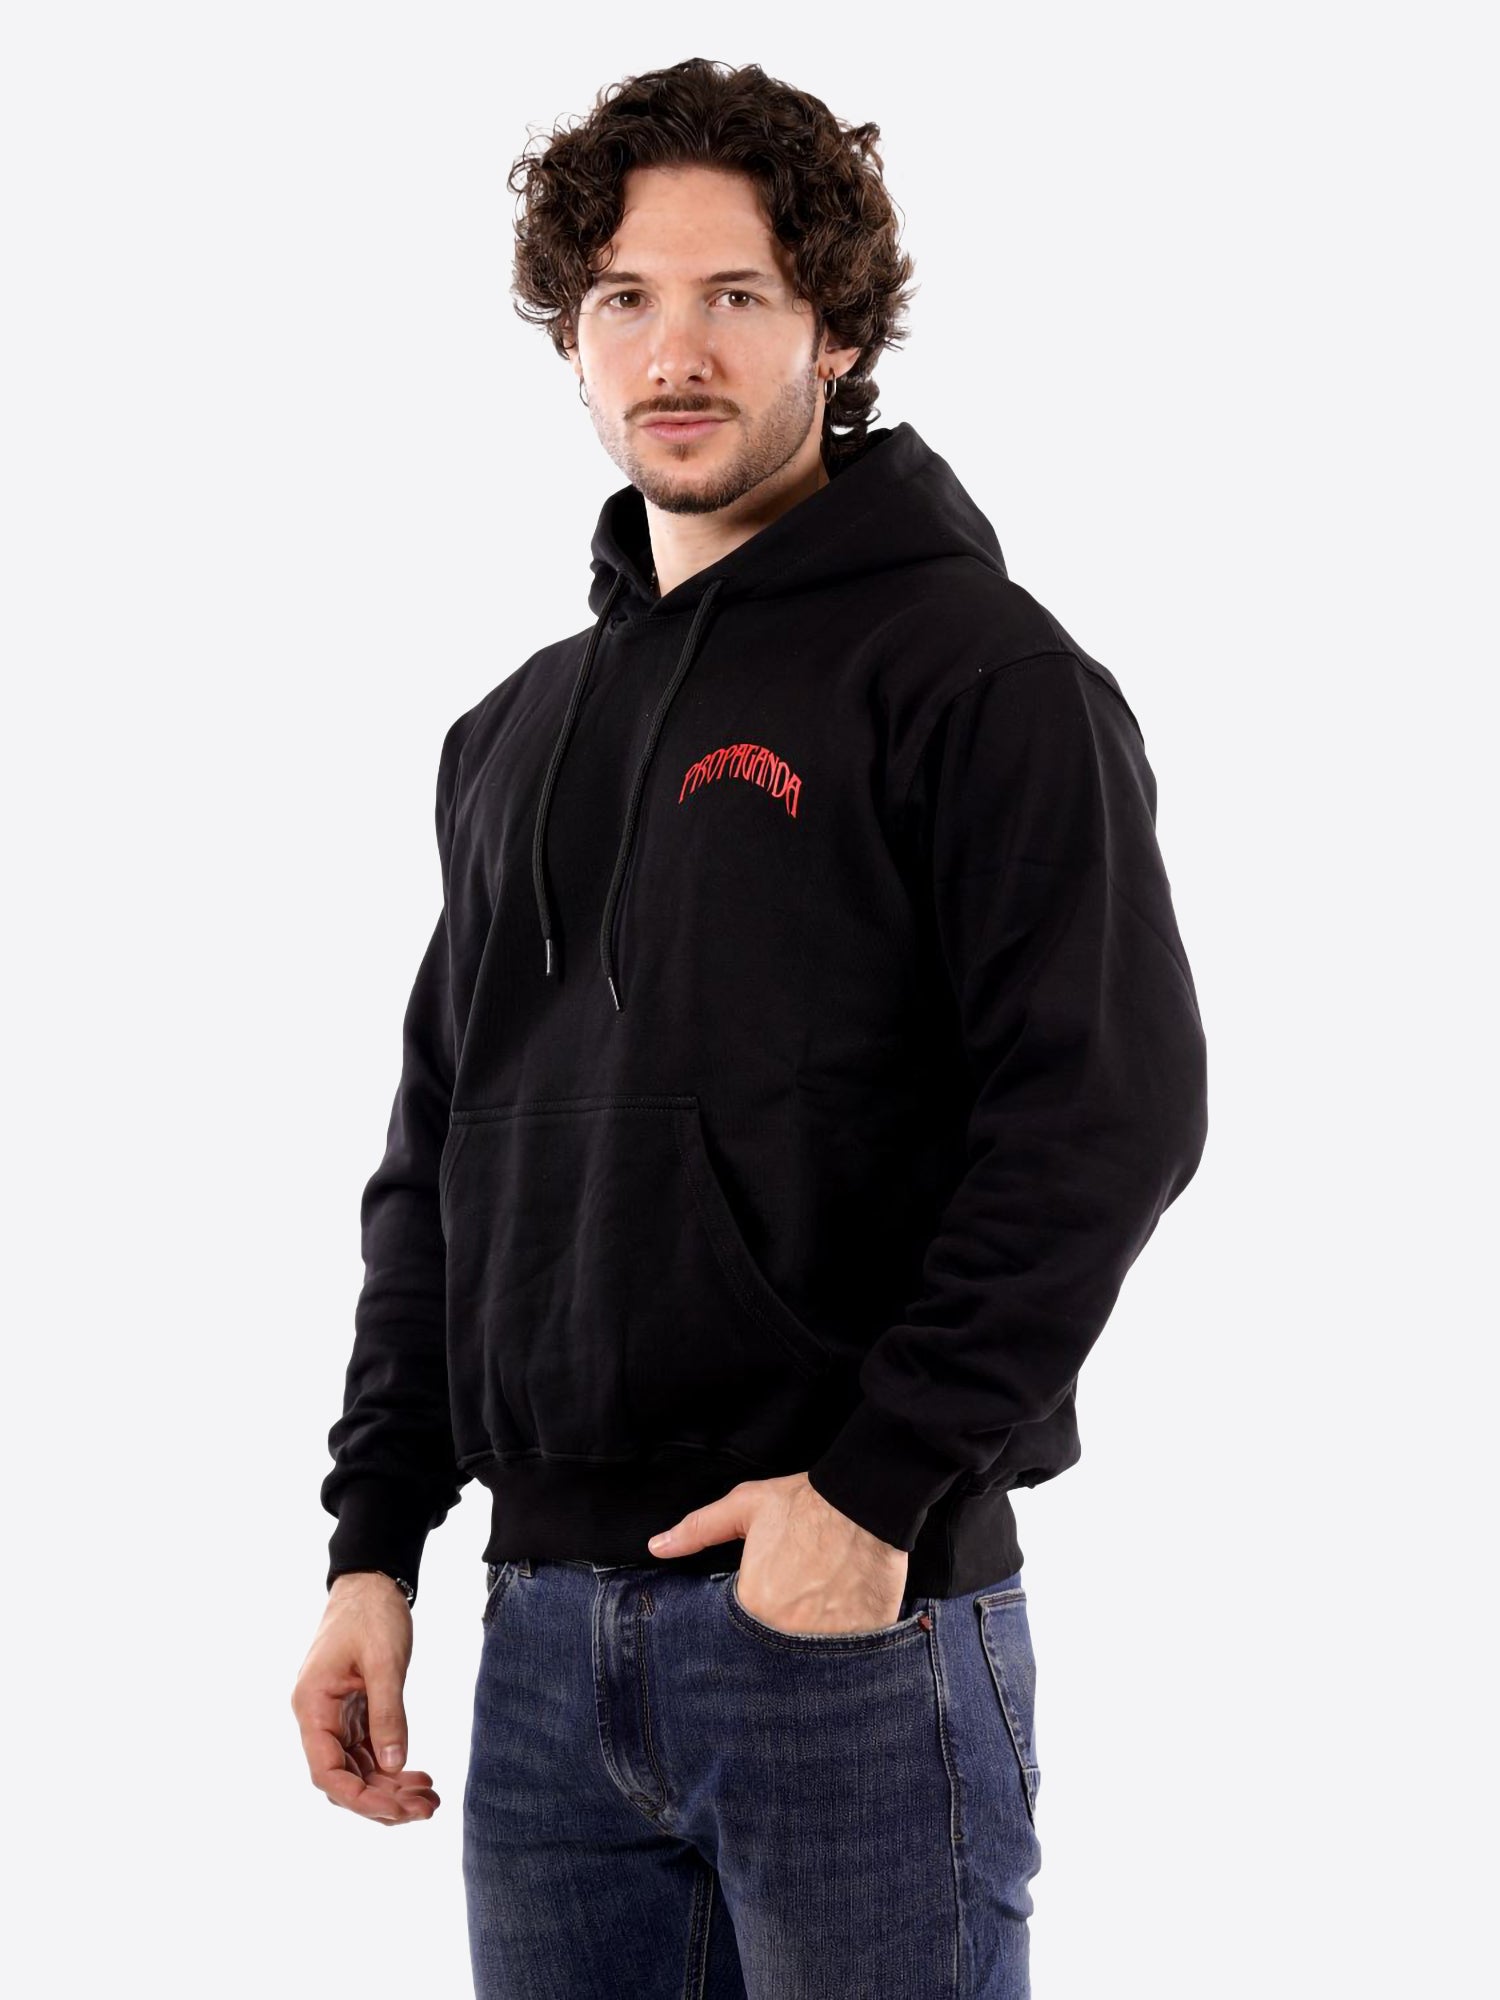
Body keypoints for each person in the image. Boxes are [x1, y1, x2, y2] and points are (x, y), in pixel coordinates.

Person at [290, 57, 1209, 1999]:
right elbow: (441, 1158)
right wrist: (374, 1541)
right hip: (541, 1650)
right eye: (624, 297)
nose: (675, 350)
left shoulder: (980, 675)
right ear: (572, 333)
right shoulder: (514, 732)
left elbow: (1107, 1111)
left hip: (846, 1631)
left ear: (837, 329)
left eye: (736, 295)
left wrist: (878, 1489)